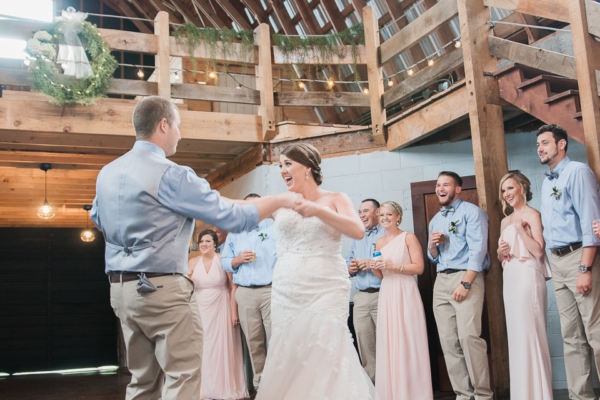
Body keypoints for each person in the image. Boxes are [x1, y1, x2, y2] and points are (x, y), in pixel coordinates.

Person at [90, 96, 298, 400]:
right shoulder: (171, 173)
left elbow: (98, 218)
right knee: (183, 374)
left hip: (121, 290)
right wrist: (280, 201)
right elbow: (230, 216)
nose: (180, 133)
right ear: (164, 125)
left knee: (142, 381)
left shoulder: (106, 173)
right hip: (160, 289)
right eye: (178, 125)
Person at [256, 143, 378, 400]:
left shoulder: (335, 198)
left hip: (325, 287)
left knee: (325, 346)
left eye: (287, 164)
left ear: (308, 167)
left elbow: (357, 231)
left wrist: (319, 210)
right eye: (280, 166)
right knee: (290, 349)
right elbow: (240, 214)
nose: (282, 170)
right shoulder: (281, 203)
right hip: (286, 289)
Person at [537, 124, 600, 399]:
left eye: (545, 143)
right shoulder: (547, 180)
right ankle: (580, 396)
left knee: (596, 332)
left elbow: (590, 223)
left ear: (561, 144)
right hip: (558, 262)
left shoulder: (578, 173)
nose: (540, 148)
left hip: (579, 258)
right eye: (538, 144)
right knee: (571, 337)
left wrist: (585, 268)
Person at [427, 171, 493, 400]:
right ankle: (463, 395)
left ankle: (483, 395)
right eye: (437, 185)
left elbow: (478, 251)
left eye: (445, 184)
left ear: (457, 189)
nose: (440, 188)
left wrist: (466, 282)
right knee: (448, 341)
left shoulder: (473, 213)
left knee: (469, 338)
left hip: (466, 277)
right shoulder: (435, 219)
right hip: (441, 281)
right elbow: (433, 257)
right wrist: (433, 247)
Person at [497, 172, 553, 400]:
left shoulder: (533, 214)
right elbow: (503, 256)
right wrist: (500, 253)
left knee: (531, 332)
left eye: (510, 188)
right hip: (510, 277)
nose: (507, 194)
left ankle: (539, 393)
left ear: (522, 187)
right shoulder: (503, 220)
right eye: (503, 190)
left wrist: (521, 228)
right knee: (517, 334)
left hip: (528, 276)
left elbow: (539, 251)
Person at [369, 201, 433, 400]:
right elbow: (381, 275)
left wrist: (394, 266)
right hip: (387, 291)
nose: (385, 219)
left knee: (408, 338)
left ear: (398, 216)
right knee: (389, 340)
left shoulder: (408, 237)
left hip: (405, 290)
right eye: (381, 216)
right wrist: (373, 266)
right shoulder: (379, 242)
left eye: (389, 215)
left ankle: (414, 393)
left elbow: (419, 268)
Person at [221, 193, 276, 392]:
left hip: (270, 290)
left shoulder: (272, 227)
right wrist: (236, 260)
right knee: (254, 342)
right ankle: (262, 387)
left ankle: (280, 383)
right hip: (244, 293)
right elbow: (225, 261)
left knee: (276, 338)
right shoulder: (235, 232)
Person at [189, 229, 248, 400]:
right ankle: (204, 389)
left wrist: (234, 311)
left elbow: (233, 286)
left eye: (208, 241)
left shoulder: (222, 260)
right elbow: (186, 288)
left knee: (222, 347)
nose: (204, 244)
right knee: (203, 348)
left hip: (222, 307)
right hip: (200, 309)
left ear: (215, 244)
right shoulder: (192, 262)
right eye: (201, 241)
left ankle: (224, 388)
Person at [346, 198, 385, 383]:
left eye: (365, 211)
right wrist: (351, 268)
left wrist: (373, 264)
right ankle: (372, 388)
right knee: (365, 345)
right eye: (360, 212)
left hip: (383, 295)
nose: (361, 215)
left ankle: (390, 387)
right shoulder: (357, 236)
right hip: (360, 297)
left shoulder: (388, 234)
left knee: (387, 343)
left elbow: (396, 263)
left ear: (377, 212)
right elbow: (348, 263)